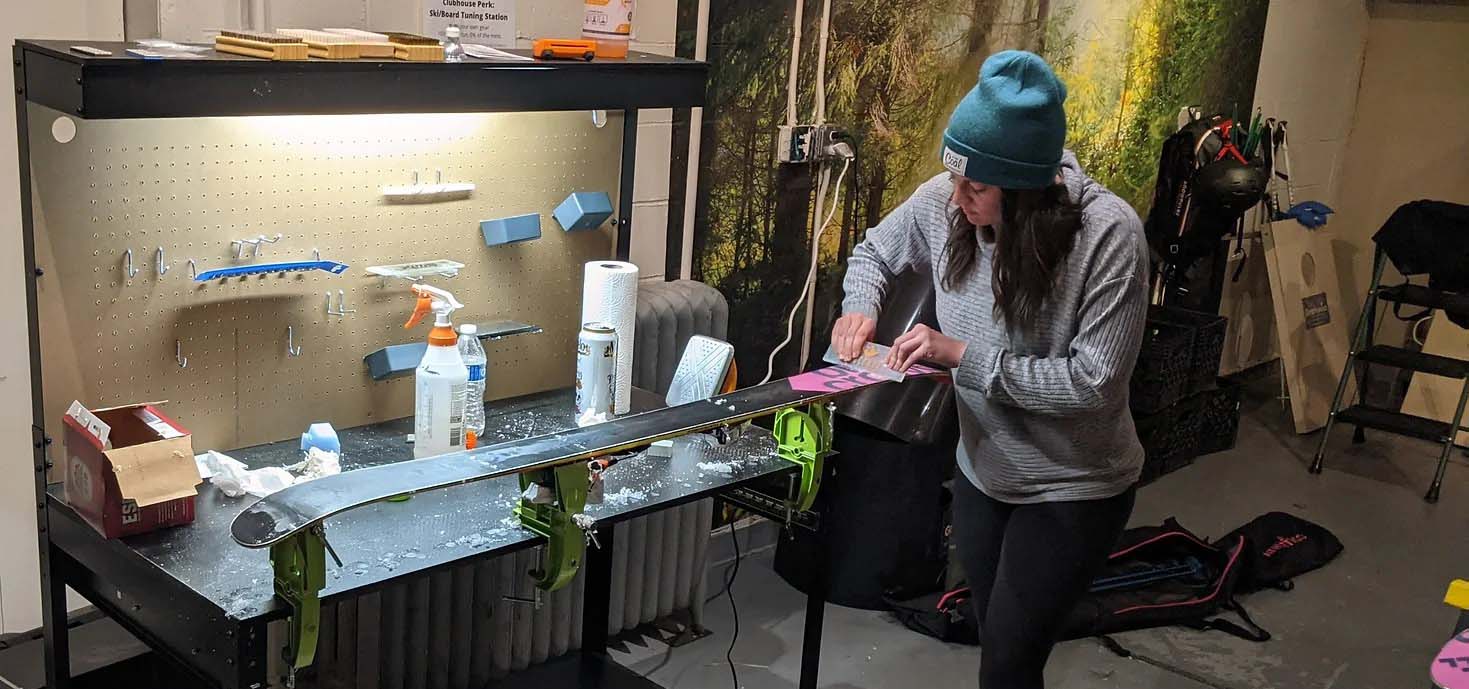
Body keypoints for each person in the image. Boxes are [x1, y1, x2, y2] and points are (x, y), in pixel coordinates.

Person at [833, 50, 1148, 689]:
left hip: (1074, 484)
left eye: (976, 188)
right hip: (984, 472)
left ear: (1027, 189)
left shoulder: (1109, 235)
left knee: (1009, 659)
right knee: (994, 640)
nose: (957, 198)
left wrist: (963, 359)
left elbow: (1093, 384)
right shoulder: (948, 200)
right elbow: (873, 251)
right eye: (954, 180)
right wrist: (859, 308)